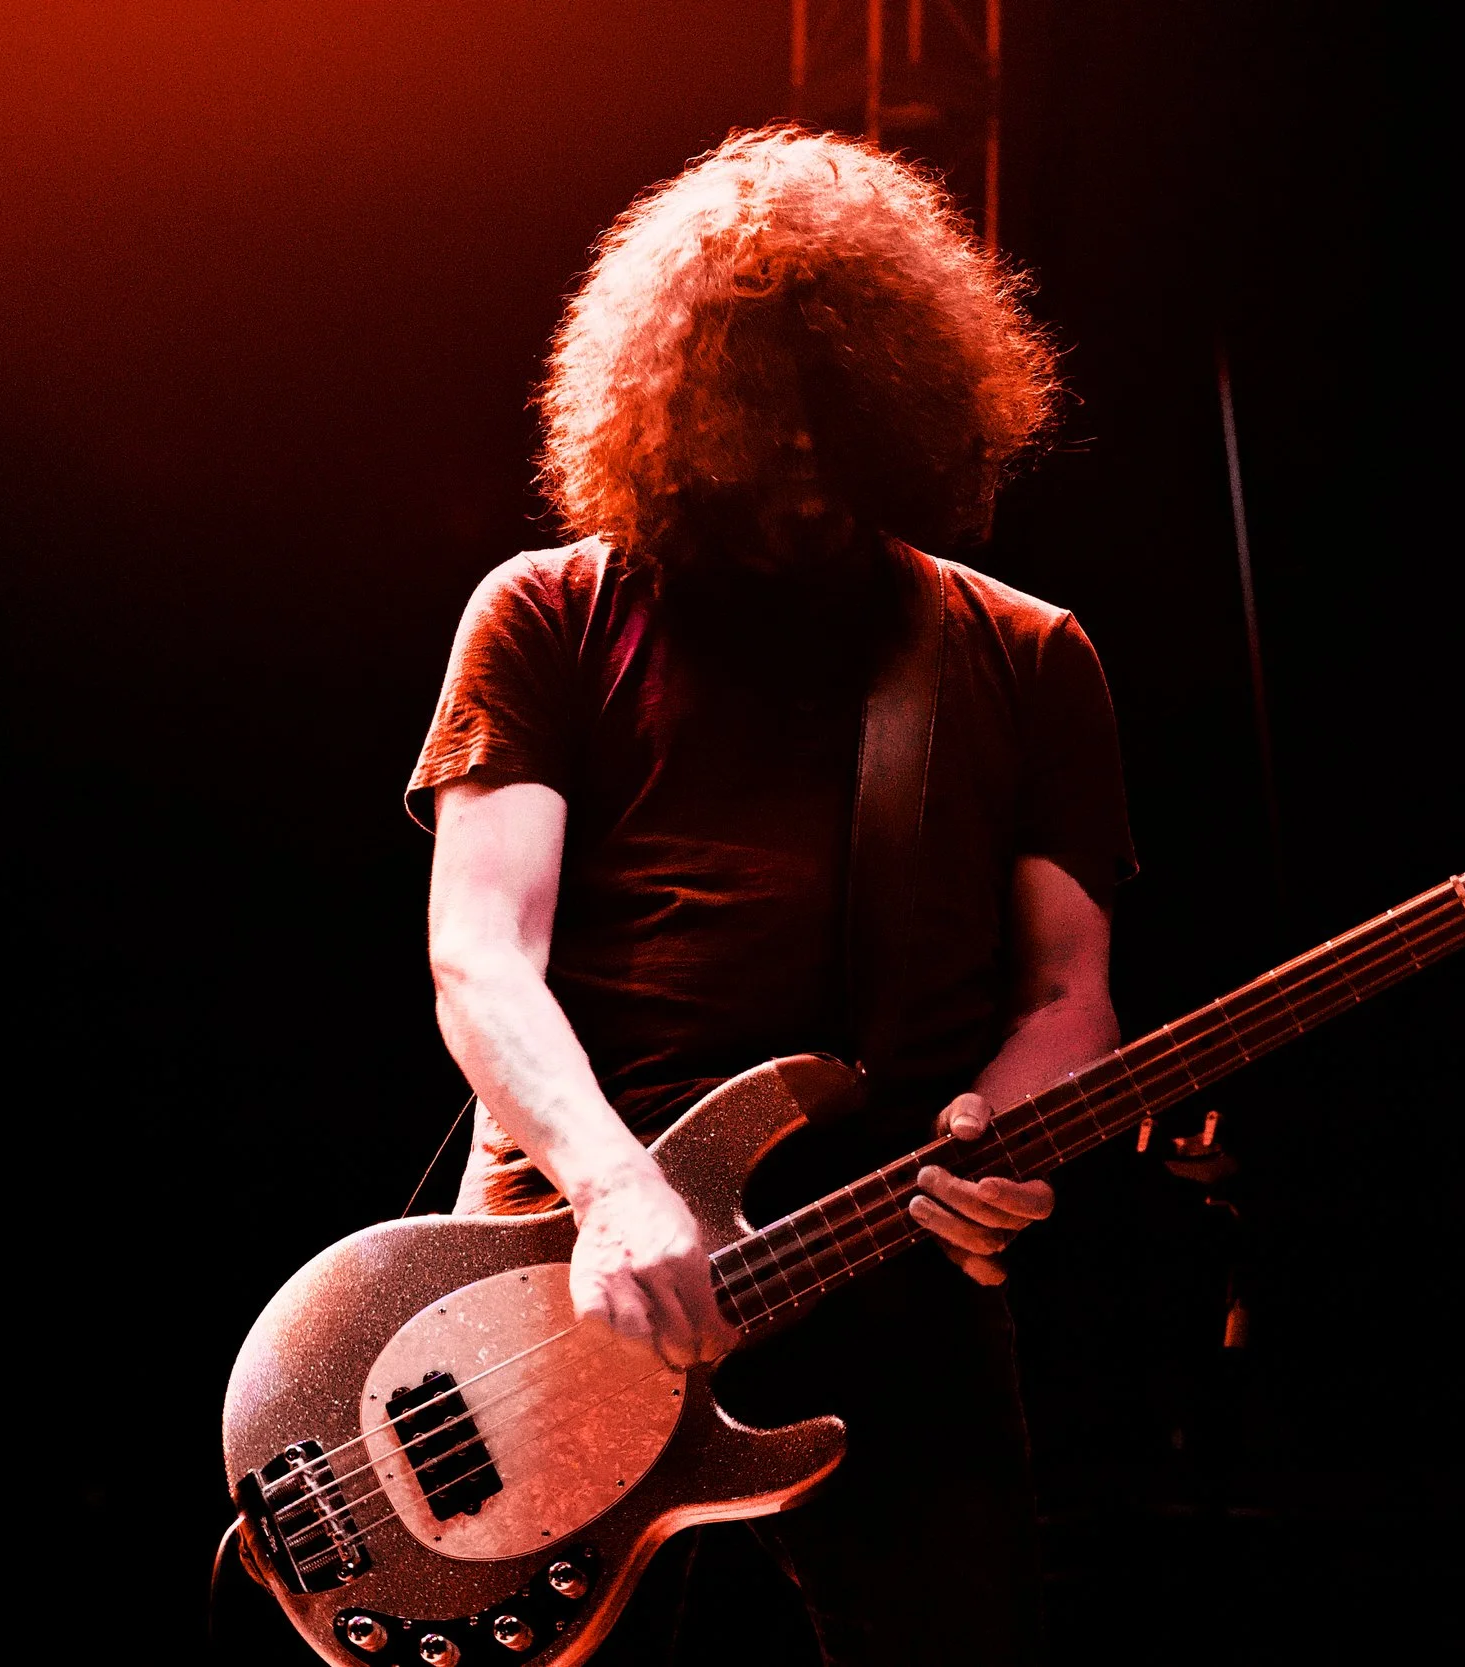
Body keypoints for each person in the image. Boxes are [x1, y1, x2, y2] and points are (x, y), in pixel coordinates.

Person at [408, 126, 1135, 1665]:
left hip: (884, 1272)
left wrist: (1002, 1136)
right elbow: (480, 952)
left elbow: (1070, 989)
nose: (803, 439)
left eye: (840, 396)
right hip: (565, 1274)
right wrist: (613, 1189)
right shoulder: (546, 611)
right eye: (762, 395)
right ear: (680, 395)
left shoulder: (1024, 652)